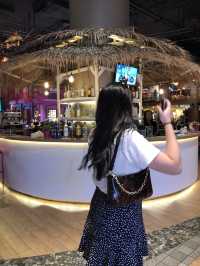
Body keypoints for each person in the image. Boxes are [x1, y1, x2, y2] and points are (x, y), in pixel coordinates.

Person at [79, 84, 182, 266]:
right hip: (123, 211)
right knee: (123, 259)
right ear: (126, 107)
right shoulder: (130, 139)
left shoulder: (95, 134)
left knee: (102, 258)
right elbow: (175, 166)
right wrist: (167, 122)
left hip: (100, 206)